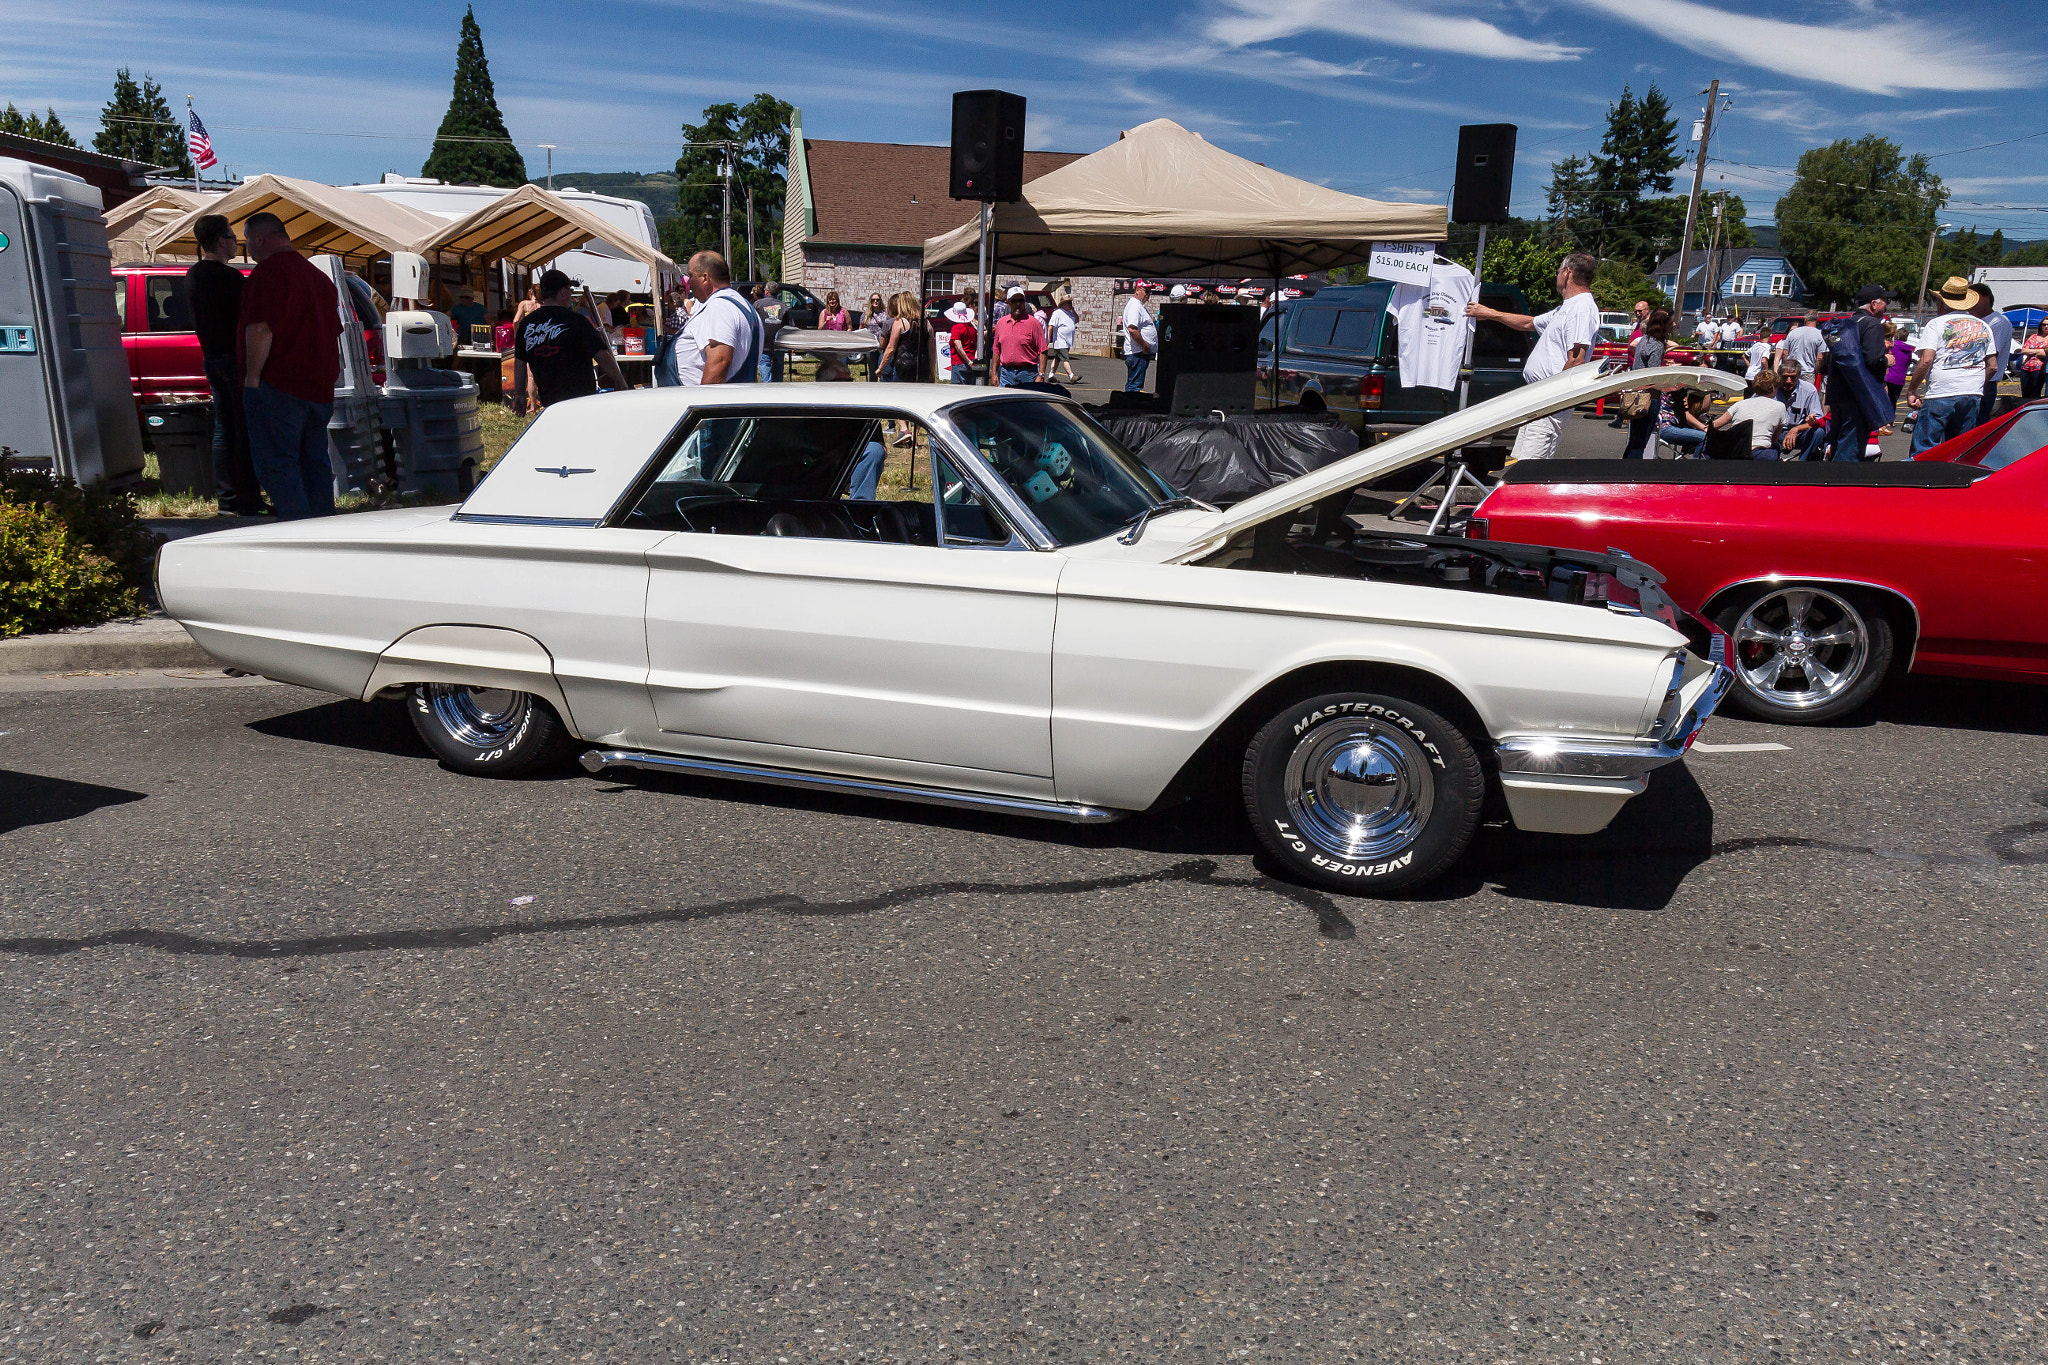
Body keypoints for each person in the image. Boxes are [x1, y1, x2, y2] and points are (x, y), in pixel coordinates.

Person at [235, 212, 342, 521]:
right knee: (315, 465)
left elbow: (260, 329)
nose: (248, 250)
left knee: (278, 466)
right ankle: (323, 529)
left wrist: (252, 379)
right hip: (318, 389)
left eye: (247, 241)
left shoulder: (268, 273)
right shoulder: (319, 279)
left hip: (280, 386)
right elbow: (333, 332)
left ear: (259, 239)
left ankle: (297, 532)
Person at [1465, 251, 1599, 461]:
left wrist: (1554, 397)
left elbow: (1576, 359)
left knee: (1531, 467)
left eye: (1558, 272)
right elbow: (1529, 323)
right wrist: (1489, 313)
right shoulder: (1566, 308)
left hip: (1549, 401)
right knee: (1523, 462)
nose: (1557, 276)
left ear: (1567, 273)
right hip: (1539, 398)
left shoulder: (1582, 307)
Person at [184, 214, 263, 515]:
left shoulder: (193, 276)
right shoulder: (230, 279)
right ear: (220, 241)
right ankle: (247, 499)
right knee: (243, 429)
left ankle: (227, 498)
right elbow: (248, 321)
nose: (235, 243)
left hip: (211, 357)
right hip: (233, 359)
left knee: (223, 428)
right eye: (231, 237)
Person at [1904, 277, 1997, 455]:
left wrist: (1911, 391)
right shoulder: (1984, 325)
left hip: (1941, 392)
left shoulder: (1936, 324)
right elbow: (1992, 366)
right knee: (1959, 448)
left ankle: (1920, 479)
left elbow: (1926, 360)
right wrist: (1975, 381)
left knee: (1924, 448)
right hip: (1971, 393)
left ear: (1942, 304)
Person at [515, 268, 626, 407]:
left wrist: (519, 394)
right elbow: (601, 354)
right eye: (570, 290)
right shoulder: (576, 321)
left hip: (549, 400)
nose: (569, 294)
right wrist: (620, 380)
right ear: (562, 292)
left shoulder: (527, 323)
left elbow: (519, 361)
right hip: (580, 398)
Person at [1824, 283, 1892, 461]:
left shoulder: (1846, 323)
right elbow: (1872, 359)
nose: (1887, 305)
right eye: (1886, 301)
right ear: (1873, 304)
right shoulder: (1872, 325)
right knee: (1851, 448)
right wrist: (1886, 361)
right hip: (1859, 394)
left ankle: (1831, 481)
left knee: (1838, 442)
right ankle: (1842, 485)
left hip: (1838, 393)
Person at [673, 251, 760, 386]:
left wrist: (703, 404)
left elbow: (720, 361)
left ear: (705, 278)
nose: (689, 282)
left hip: (695, 401)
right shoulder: (741, 304)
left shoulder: (720, 307)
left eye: (691, 276)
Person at [1621, 308, 1670, 459]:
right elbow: (1652, 376)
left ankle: (1624, 472)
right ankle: (1632, 475)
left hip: (1637, 394)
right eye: (1671, 321)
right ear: (1664, 324)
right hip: (1648, 398)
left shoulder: (1644, 340)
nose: (1674, 325)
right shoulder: (1657, 345)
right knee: (1640, 442)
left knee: (1634, 440)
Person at [1713, 365, 1789, 458]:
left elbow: (1715, 425)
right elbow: (1774, 438)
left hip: (1737, 450)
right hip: (1761, 453)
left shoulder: (1739, 404)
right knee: (1776, 446)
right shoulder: (1780, 406)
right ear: (1773, 388)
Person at [1971, 283, 2012, 428]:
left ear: (1987, 298)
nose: (1971, 303)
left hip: (1985, 382)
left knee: (1976, 427)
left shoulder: (1998, 322)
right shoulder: (1974, 320)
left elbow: (1992, 354)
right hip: (1970, 381)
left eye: (1975, 298)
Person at [993, 293, 1046, 386]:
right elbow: (996, 350)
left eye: (1021, 300)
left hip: (1028, 373)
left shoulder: (1033, 323)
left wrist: (1041, 374)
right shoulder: (1001, 323)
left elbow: (1043, 350)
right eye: (1014, 301)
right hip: (1006, 374)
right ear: (1008, 302)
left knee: (1026, 400)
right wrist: (994, 373)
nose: (1018, 304)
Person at [1779, 366, 1827, 459]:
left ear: (1798, 376)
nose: (1788, 381)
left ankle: (1803, 463)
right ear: (1779, 376)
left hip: (1800, 433)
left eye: (1792, 377)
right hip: (1777, 432)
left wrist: (1796, 429)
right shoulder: (1771, 388)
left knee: (1819, 432)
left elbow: (1819, 420)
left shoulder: (1809, 390)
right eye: (1785, 377)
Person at [1776, 316, 1827, 395]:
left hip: (1792, 371)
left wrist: (1786, 369)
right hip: (1808, 372)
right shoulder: (1819, 334)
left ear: (1805, 320)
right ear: (1816, 321)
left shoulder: (1793, 332)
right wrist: (1815, 373)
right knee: (1806, 397)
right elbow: (1820, 358)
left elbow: (1785, 353)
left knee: (1788, 395)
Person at [1654, 387, 1710, 457]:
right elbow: (1686, 415)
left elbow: (1704, 408)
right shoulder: (1676, 391)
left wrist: (1707, 392)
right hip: (1666, 428)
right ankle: (1697, 465)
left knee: (1704, 436)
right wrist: (1705, 428)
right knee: (1706, 437)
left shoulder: (1673, 388)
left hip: (1664, 426)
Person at [1122, 283, 1157, 392]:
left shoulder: (1139, 306)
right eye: (1146, 291)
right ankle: (1130, 407)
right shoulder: (1135, 306)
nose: (1148, 295)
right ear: (1138, 290)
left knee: (1136, 384)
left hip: (1140, 352)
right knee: (1134, 386)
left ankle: (1130, 405)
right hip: (1137, 352)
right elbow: (1132, 329)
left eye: (1150, 292)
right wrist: (1144, 345)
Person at [1044, 288, 1080, 383]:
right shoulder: (1057, 312)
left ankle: (1051, 375)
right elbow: (1051, 326)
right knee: (1065, 358)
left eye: (1070, 303)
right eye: (1067, 303)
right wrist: (1048, 339)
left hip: (1068, 341)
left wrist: (1074, 311)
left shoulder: (1070, 313)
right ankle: (1071, 376)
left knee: (1057, 358)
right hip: (1060, 340)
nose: (1069, 305)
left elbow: (1077, 320)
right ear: (1063, 304)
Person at [755, 281, 787, 381]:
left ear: (767, 291)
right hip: (779, 343)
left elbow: (752, 323)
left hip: (763, 343)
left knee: (764, 364)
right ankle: (777, 388)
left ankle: (767, 389)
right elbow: (789, 327)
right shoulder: (784, 307)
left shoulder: (757, 304)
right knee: (778, 365)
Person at [1884, 321, 1915, 404]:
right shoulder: (1909, 350)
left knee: (1883, 402)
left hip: (1889, 377)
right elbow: (1908, 363)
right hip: (1900, 379)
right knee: (1893, 403)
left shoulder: (1893, 346)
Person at [948, 302, 978, 385]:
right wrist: (973, 360)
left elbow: (959, 347)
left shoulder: (956, 328)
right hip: (971, 360)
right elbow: (977, 344)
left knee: (958, 390)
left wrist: (968, 361)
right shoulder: (971, 327)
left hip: (959, 362)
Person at [2019, 320, 2048, 402]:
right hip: (2026, 367)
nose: (2046, 326)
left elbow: (2045, 354)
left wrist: (2031, 351)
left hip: (2039, 369)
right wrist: (2038, 351)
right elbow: (2023, 350)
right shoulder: (2033, 336)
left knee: (2035, 394)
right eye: (2044, 324)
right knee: (2025, 393)